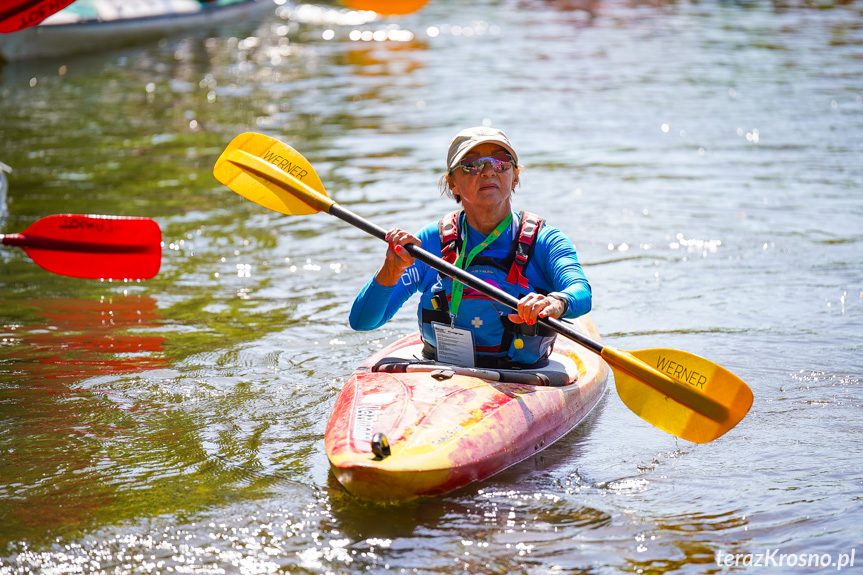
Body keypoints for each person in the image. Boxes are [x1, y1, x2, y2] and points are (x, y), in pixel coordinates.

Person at [349, 126, 591, 368]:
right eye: (471, 165)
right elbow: (363, 321)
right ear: (452, 183)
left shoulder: (544, 240)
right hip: (441, 371)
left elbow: (581, 292)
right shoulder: (430, 242)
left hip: (524, 375)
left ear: (515, 176)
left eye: (500, 162)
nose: (487, 172)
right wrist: (391, 269)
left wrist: (558, 303)